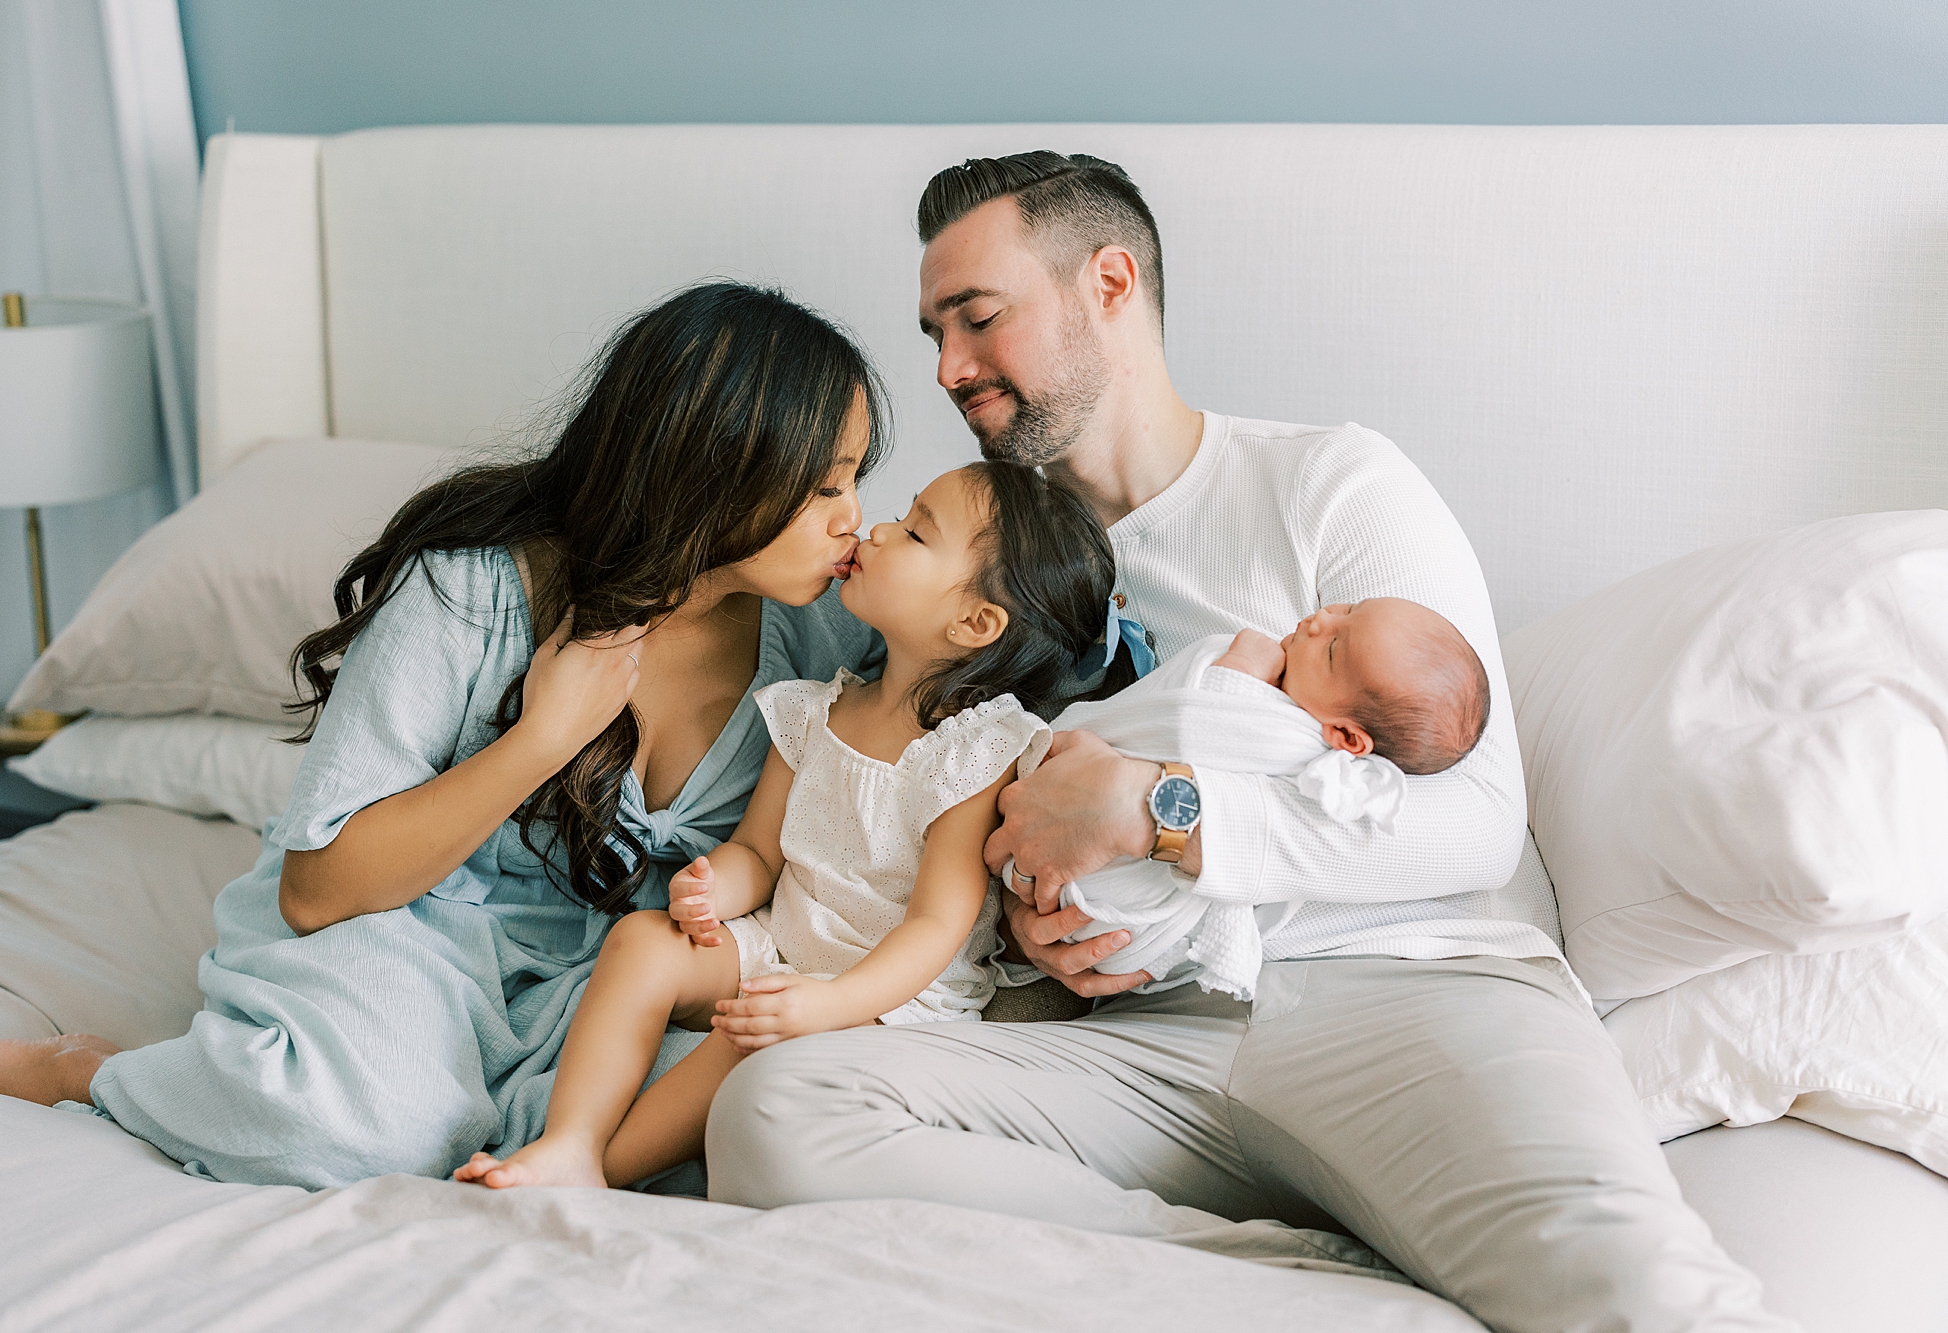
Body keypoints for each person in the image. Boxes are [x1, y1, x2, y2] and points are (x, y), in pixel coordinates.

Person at [704, 154, 1792, 1330]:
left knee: (1641, 1298)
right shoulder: (971, 566)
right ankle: (1259, 1267)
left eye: (978, 319)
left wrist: (1160, 815)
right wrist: (1027, 916)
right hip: (1140, 1039)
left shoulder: (1328, 484)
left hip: (1399, 994)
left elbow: (1472, 822)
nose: (947, 368)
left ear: (1109, 282)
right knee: (775, 1112)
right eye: (933, 331)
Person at [0, 282, 895, 1190]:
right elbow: (321, 889)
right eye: (823, 485)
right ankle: (89, 1072)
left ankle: (526, 1132)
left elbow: (1003, 665)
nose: (852, 518)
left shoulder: (823, 635)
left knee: (776, 1101)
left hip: (610, 984)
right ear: (714, 468)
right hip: (411, 935)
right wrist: (541, 738)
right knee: (342, 1123)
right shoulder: (469, 594)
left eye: (857, 478)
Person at [454, 462, 1113, 1191]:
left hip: (888, 1002)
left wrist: (828, 1004)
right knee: (643, 941)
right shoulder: (816, 709)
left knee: (751, 1045)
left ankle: (597, 1171)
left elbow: (935, 927)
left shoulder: (975, 751)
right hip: (784, 942)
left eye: (917, 530)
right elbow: (758, 854)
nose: (880, 527)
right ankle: (569, 1135)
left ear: (974, 622)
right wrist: (714, 888)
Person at [1032, 600, 1493, 1001]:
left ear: (1347, 737)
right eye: (1348, 609)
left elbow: (1197, 734)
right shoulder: (1301, 701)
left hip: (1112, 908)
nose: (1319, 620)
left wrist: (1240, 669)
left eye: (1333, 649)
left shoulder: (1305, 749)